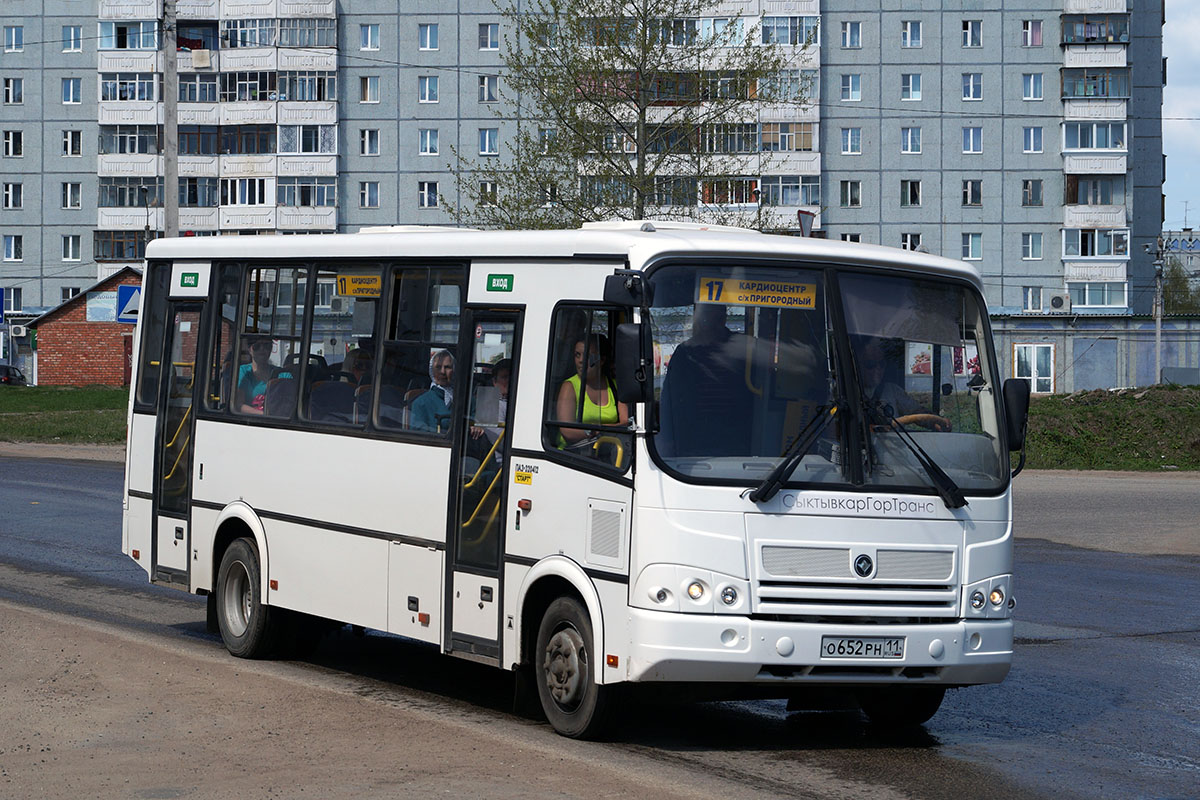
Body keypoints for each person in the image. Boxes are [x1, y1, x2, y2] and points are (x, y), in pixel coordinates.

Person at [859, 339, 951, 431]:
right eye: (870, 364)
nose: (877, 369)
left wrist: (936, 421)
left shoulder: (892, 390)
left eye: (881, 364)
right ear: (859, 365)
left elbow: (916, 411)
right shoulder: (851, 394)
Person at [555, 334, 629, 448]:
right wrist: (594, 431)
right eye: (577, 355)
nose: (580, 361)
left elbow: (624, 423)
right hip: (572, 457)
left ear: (602, 360)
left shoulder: (615, 386)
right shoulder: (569, 387)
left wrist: (594, 429)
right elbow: (567, 432)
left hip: (608, 453)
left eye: (587, 356)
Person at [409, 349, 456, 433]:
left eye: (447, 367)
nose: (442, 372)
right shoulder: (420, 403)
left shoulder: (465, 399)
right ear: (432, 371)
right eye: (438, 367)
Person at [237, 336, 274, 414]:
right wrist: (264, 415)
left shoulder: (281, 374)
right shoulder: (242, 372)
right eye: (257, 346)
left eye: (266, 346)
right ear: (249, 349)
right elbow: (238, 405)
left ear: (271, 349)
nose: (262, 349)